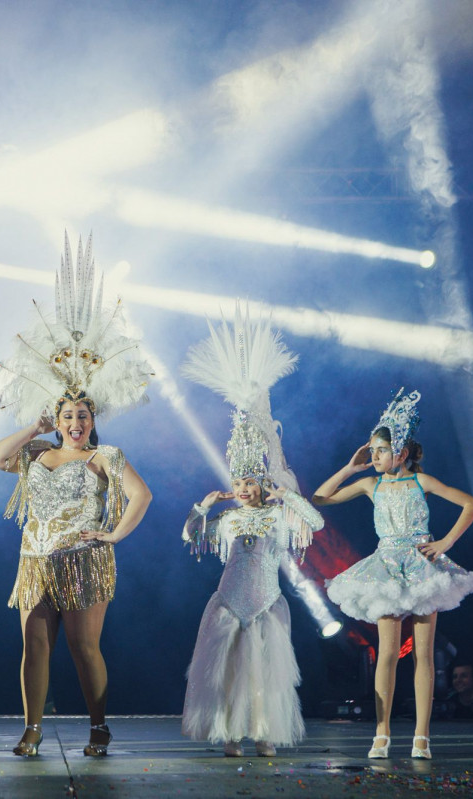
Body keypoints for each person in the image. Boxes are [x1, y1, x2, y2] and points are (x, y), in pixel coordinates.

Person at [0, 233, 153, 757]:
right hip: (35, 559)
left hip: (84, 558)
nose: (76, 422)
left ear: (92, 418)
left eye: (82, 415)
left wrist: (113, 535)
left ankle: (98, 726)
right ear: (57, 419)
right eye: (67, 415)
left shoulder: (105, 456)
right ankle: (32, 729)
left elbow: (142, 496)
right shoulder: (37, 452)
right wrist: (32, 426)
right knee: (34, 646)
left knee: (84, 647)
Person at [178, 307, 323, 758]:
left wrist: (288, 496)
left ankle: (264, 734)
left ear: (262, 483)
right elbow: (190, 535)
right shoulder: (229, 519)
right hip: (228, 601)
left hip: (265, 603)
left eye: (249, 482)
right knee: (228, 674)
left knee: (265, 676)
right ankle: (231, 734)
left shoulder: (277, 516)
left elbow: (315, 523)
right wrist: (205, 505)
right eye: (237, 482)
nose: (242, 489)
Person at [316, 389, 473, 759]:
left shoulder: (422, 482)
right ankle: (382, 734)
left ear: (401, 453)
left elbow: (472, 504)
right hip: (387, 568)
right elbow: (320, 499)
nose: (373, 456)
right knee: (387, 653)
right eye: (372, 450)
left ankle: (422, 737)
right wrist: (351, 467)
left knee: (424, 655)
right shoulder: (370, 484)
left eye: (380, 450)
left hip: (422, 567)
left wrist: (445, 542)